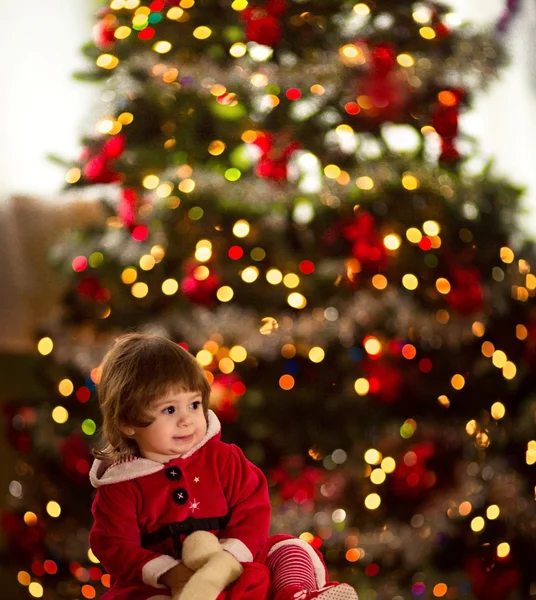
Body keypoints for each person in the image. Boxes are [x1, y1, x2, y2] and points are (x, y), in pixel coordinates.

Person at [89, 333, 358, 600]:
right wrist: (168, 572)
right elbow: (115, 546)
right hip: (165, 585)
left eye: (194, 405)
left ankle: (297, 595)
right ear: (127, 422)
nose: (187, 420)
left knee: (289, 548)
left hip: (236, 566)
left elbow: (252, 508)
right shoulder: (121, 485)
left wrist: (229, 558)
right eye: (169, 410)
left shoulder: (223, 458)